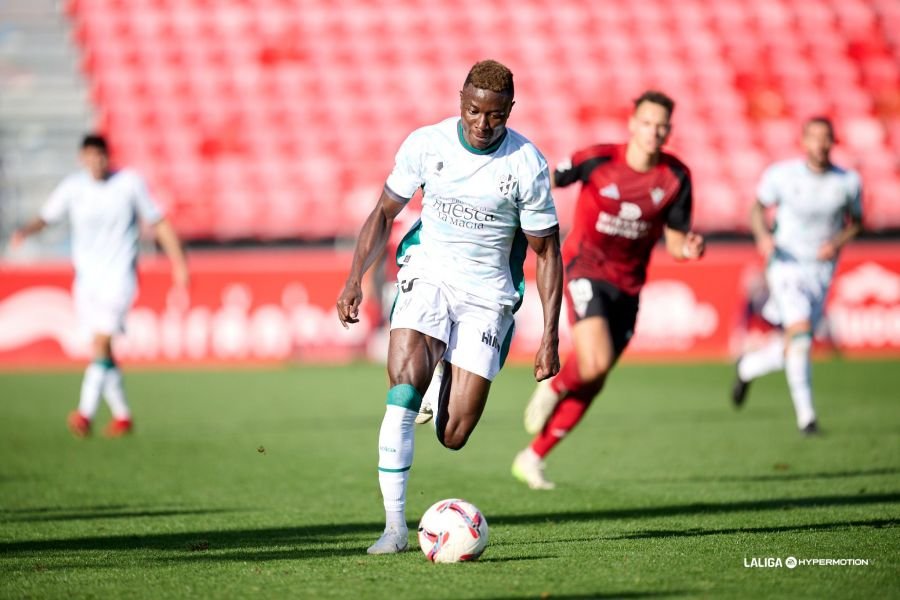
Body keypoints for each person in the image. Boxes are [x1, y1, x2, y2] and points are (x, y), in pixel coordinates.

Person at [336, 59, 563, 554]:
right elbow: (383, 212)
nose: (482, 124)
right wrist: (355, 278)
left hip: (488, 295)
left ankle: (441, 379)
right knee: (401, 391)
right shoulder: (427, 144)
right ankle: (394, 528)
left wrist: (549, 336)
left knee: (454, 434)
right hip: (429, 273)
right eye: (473, 111)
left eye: (496, 116)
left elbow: (546, 251)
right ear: (461, 99)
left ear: (510, 110)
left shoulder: (526, 164)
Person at [512, 91, 705, 490]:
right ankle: (555, 386)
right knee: (594, 363)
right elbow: (545, 180)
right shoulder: (598, 158)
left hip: (629, 284)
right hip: (586, 266)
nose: (654, 131)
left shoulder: (676, 177)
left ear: (669, 131)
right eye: (648, 123)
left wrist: (687, 249)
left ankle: (532, 457)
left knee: (595, 379)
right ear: (633, 123)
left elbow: (674, 241)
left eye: (662, 125)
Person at [10, 134, 189, 438]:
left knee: (101, 343)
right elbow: (47, 217)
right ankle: (123, 416)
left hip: (119, 278)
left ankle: (84, 414)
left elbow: (158, 221)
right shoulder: (73, 187)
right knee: (100, 350)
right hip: (86, 281)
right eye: (90, 156)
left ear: (108, 157)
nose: (96, 162)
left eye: (101, 156)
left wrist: (179, 265)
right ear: (82, 159)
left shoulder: (129, 183)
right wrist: (25, 232)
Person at [732, 117, 862, 434]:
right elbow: (756, 209)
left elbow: (856, 221)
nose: (819, 144)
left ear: (833, 142)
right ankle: (807, 418)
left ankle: (749, 366)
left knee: (798, 342)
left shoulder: (847, 182)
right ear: (803, 142)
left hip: (820, 269)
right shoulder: (782, 175)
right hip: (786, 263)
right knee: (801, 334)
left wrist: (837, 242)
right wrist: (763, 236)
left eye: (825, 138)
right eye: (813, 138)